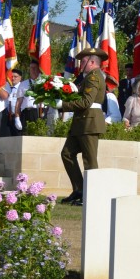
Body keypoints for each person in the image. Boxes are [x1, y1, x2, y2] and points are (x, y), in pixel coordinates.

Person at [58, 47, 108, 205]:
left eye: (84, 61)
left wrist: (63, 105)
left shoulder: (94, 78)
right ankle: (79, 188)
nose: (81, 64)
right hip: (81, 122)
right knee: (67, 153)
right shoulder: (87, 77)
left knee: (89, 160)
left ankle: (92, 195)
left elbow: (86, 102)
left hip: (90, 122)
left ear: (92, 62)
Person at [15, 60, 43, 130]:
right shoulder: (23, 84)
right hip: (28, 113)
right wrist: (17, 117)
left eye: (34, 68)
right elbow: (18, 103)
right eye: (31, 68)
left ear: (39, 69)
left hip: (42, 112)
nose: (32, 70)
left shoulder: (45, 84)